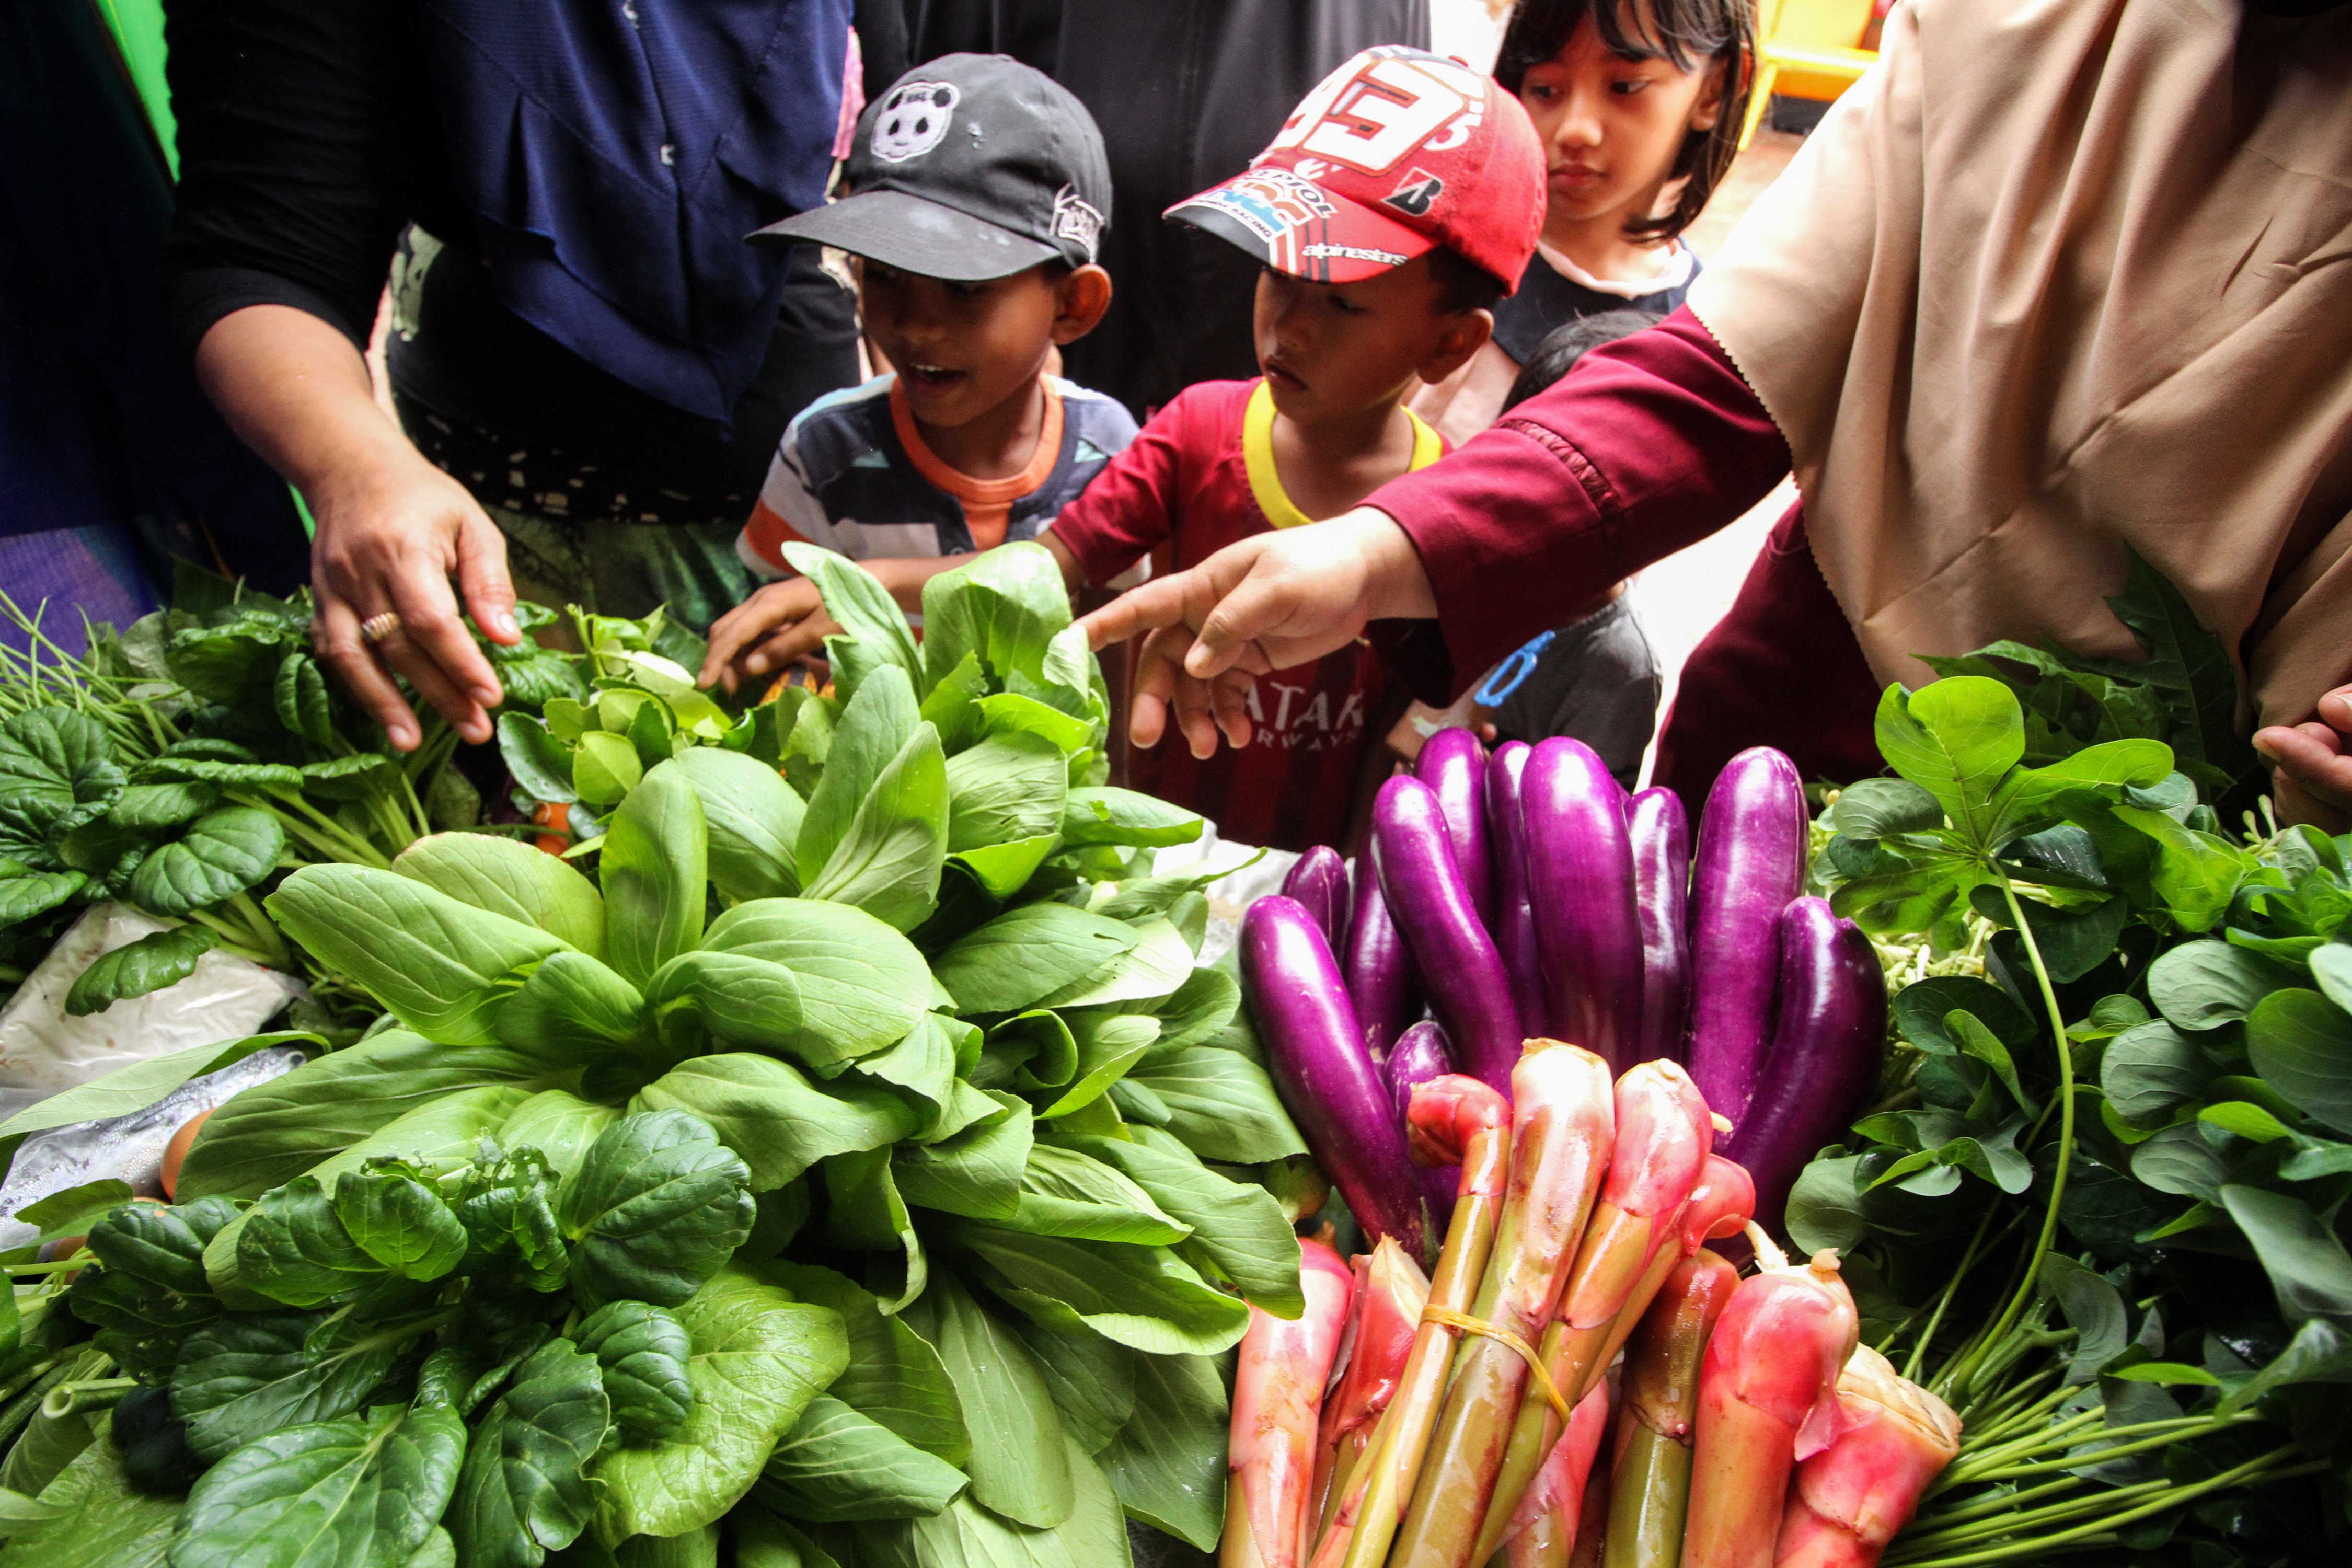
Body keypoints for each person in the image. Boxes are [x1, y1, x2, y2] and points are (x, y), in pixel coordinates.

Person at [1075, 0, 2352, 831]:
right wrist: (1369, 556)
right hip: (1791, 760)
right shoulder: (2005, 27)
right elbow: (1717, 380)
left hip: (2168, 842)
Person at [161, 0, 865, 752]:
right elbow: (264, 245)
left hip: (825, 523)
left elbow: (954, 158)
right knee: (532, 802)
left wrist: (914, 525)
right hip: (517, 546)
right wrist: (355, 469)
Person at [698, 55, 1134, 694]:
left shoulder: (1111, 451)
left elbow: (1113, 664)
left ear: (1073, 305)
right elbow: (782, 636)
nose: (916, 324)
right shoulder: (821, 453)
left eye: (964, 286)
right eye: (885, 274)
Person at [1410, 0, 1748, 444]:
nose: (1576, 130)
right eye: (1546, 90)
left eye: (1625, 86)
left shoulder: (1700, 336)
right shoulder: (1427, 253)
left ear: (1714, 90)